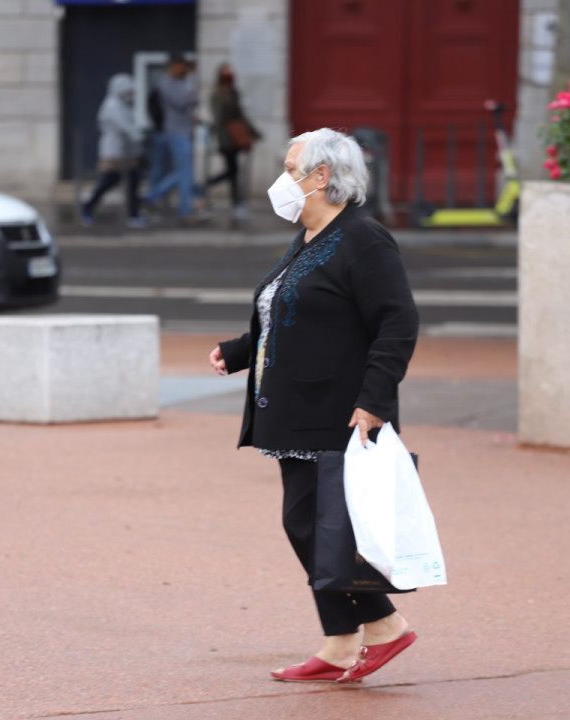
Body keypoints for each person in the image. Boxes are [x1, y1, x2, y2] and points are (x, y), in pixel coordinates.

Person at [208, 128, 420, 684]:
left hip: (339, 409)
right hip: (293, 406)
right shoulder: (311, 236)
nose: (282, 179)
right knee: (312, 524)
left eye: (290, 167)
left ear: (321, 176)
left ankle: (385, 627)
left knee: (312, 524)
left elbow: (397, 323)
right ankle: (339, 640)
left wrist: (375, 400)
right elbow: (292, 311)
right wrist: (237, 353)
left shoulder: (363, 239)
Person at [80, 73, 147, 228]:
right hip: (115, 151)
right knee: (110, 181)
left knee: (131, 181)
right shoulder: (113, 105)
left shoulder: (122, 104)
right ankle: (88, 207)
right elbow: (126, 126)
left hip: (126, 151)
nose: (131, 95)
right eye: (128, 91)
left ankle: (134, 214)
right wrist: (139, 136)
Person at [142, 53, 200, 221]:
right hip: (175, 132)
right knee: (184, 172)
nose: (185, 70)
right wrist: (192, 89)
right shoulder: (166, 83)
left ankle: (176, 205)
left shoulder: (180, 82)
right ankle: (181, 208)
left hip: (184, 131)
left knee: (185, 172)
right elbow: (182, 101)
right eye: (182, 66)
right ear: (173, 66)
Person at [204, 62, 259, 218]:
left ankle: (236, 201)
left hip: (235, 138)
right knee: (233, 171)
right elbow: (219, 118)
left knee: (234, 171)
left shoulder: (233, 92)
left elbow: (240, 115)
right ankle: (209, 186)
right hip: (225, 139)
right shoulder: (218, 95)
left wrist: (252, 132)